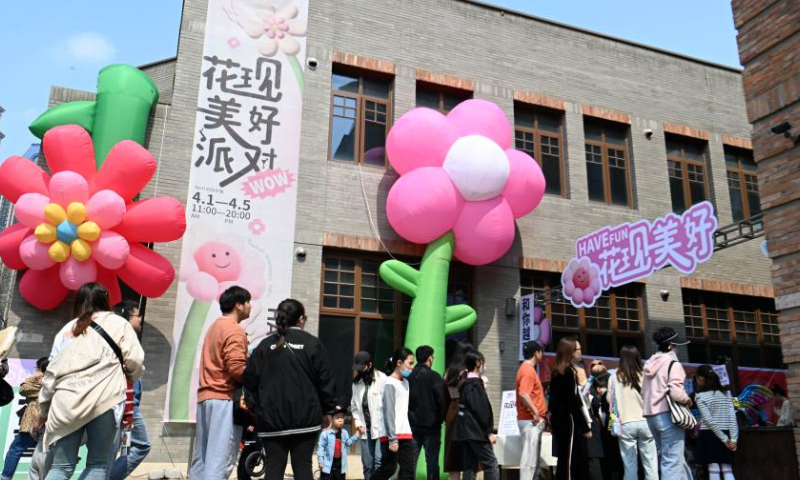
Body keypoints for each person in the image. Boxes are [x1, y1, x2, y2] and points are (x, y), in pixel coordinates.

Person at [38, 282, 145, 480]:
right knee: (97, 465)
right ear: (105, 299)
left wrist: (43, 410)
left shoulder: (67, 329)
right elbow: (135, 360)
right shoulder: (119, 323)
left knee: (60, 467)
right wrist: (130, 375)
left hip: (66, 402)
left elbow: (51, 371)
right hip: (104, 399)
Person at [244, 299, 337, 480]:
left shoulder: (264, 346)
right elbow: (325, 380)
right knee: (303, 469)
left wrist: (256, 408)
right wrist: (329, 410)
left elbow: (249, 381)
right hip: (306, 420)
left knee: (273, 469)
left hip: (271, 421)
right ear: (301, 319)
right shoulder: (312, 344)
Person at [189, 286, 251, 480]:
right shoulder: (234, 330)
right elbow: (236, 368)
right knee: (220, 460)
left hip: (206, 397)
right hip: (223, 398)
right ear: (238, 305)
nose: (250, 306)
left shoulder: (214, 326)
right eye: (248, 302)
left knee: (202, 458)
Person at [642, 327, 694, 480]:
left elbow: (643, 392)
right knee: (672, 461)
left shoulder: (649, 365)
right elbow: (676, 393)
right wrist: (688, 400)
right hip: (669, 417)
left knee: (673, 459)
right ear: (671, 346)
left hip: (651, 416)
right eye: (676, 345)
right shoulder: (673, 364)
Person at [109, 300, 151, 480]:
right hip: (125, 402)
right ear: (126, 316)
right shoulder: (124, 338)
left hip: (126, 402)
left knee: (119, 448)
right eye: (137, 315)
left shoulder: (121, 337)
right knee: (141, 445)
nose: (140, 319)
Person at [607, 345, 657, 480]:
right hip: (646, 422)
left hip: (625, 424)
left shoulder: (614, 377)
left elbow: (609, 400)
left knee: (629, 465)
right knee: (651, 463)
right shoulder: (645, 375)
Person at [370, 348, 417, 480]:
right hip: (391, 435)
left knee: (408, 472)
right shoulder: (389, 383)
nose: (412, 367)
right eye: (410, 363)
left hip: (405, 433)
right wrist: (392, 438)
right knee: (389, 468)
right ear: (399, 363)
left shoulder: (406, 382)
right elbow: (389, 411)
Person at [549, 338, 591, 480]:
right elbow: (574, 402)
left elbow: (553, 403)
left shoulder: (559, 371)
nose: (581, 352)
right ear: (571, 352)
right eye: (578, 349)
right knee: (569, 461)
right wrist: (585, 428)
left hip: (562, 421)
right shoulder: (566, 372)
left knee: (569, 459)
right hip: (569, 422)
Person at [0, 357, 48, 480]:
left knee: (16, 449)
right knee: (44, 453)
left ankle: (5, 477)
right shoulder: (58, 381)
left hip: (34, 421)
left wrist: (36, 376)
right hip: (50, 422)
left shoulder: (41, 382)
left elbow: (23, 389)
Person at [453, 350, 498, 480]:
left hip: (465, 430)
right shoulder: (475, 385)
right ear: (478, 363)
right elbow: (481, 410)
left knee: (469, 465)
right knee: (491, 463)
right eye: (483, 363)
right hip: (476, 431)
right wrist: (489, 432)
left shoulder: (464, 384)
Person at [694, 365, 738, 480]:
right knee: (727, 469)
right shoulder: (726, 393)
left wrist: (724, 439)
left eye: (696, 378)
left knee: (713, 469)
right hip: (727, 433)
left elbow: (709, 421)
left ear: (701, 378)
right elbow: (732, 417)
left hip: (708, 435)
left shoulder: (700, 397)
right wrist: (733, 439)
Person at [408, 345, 446, 480]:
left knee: (410, 462)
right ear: (430, 358)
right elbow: (442, 400)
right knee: (432, 463)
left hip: (411, 426)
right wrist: (441, 418)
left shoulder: (409, 377)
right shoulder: (435, 377)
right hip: (432, 426)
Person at [351, 351, 386, 480]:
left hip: (380, 428)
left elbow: (388, 404)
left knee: (378, 461)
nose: (359, 371)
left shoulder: (382, 379)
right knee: (367, 463)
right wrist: (358, 423)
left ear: (370, 365)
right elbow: (354, 406)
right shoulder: (356, 383)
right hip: (365, 428)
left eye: (362, 367)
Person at [516, 341, 547, 480]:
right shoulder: (528, 370)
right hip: (531, 420)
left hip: (530, 420)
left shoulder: (526, 369)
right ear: (536, 353)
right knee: (529, 461)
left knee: (532, 461)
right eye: (541, 351)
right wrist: (535, 412)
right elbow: (523, 393)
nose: (542, 354)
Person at [443, 342, 472, 480]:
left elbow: (447, 393)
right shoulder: (468, 373)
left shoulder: (449, 372)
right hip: (465, 413)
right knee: (466, 456)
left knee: (453, 456)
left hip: (451, 413)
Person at [317, 405, 360, 480]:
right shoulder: (325, 434)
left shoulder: (344, 433)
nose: (340, 419)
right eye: (337, 417)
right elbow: (321, 448)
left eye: (342, 417)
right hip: (327, 467)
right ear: (331, 419)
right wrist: (321, 460)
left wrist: (357, 434)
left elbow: (348, 443)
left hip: (340, 468)